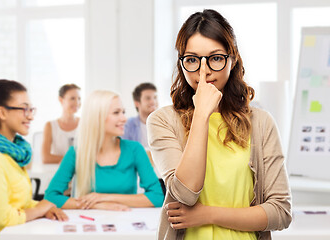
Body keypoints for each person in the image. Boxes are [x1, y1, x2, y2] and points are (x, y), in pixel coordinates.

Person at [146, 10, 292, 240]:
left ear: (232, 60)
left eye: (215, 58)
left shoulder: (261, 123)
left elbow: (281, 211)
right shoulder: (163, 121)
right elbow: (185, 193)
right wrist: (202, 113)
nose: (203, 71)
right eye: (192, 60)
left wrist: (207, 215)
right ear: (181, 64)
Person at [0, 79, 67, 240]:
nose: (30, 116)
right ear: (2, 113)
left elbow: (19, 202)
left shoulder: (12, 154)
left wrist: (44, 207)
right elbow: (3, 218)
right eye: (24, 109)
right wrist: (39, 210)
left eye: (31, 109)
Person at [44, 90, 164, 210]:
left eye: (123, 112)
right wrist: (97, 206)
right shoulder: (76, 153)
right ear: (97, 117)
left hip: (126, 221)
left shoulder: (135, 149)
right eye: (116, 113)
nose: (124, 118)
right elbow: (51, 197)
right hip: (90, 223)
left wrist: (103, 197)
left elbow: (157, 197)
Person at [41, 84, 81, 164]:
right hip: (57, 170)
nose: (77, 102)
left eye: (79, 98)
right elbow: (45, 158)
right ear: (61, 100)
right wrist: (73, 159)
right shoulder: (50, 126)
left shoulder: (84, 124)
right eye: (72, 98)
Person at [122, 82, 158, 149]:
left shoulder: (165, 124)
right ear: (137, 103)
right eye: (148, 98)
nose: (153, 102)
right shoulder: (127, 126)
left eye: (155, 97)